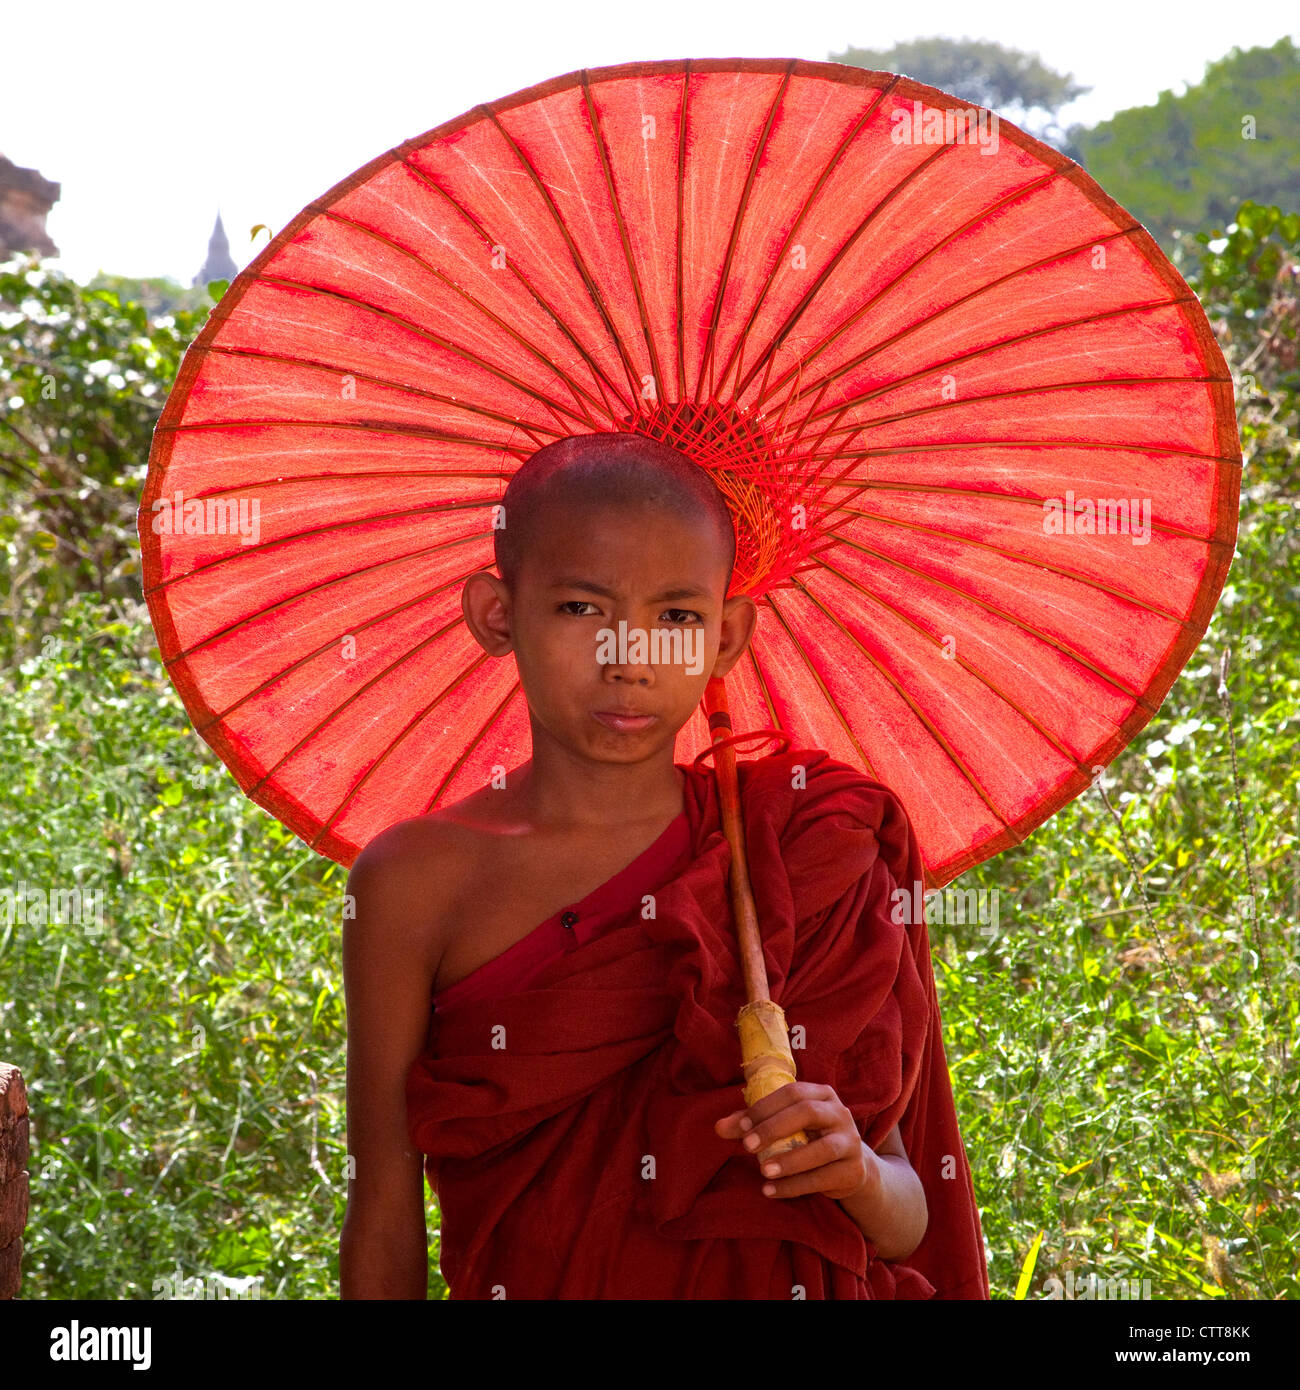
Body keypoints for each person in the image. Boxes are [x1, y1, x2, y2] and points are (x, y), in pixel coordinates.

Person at [338, 431, 988, 1300]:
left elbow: (909, 1216)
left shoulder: (797, 852)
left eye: (676, 618)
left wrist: (853, 1170)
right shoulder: (414, 883)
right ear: (498, 613)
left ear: (727, 637)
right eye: (581, 609)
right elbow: (384, 1202)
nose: (631, 660)